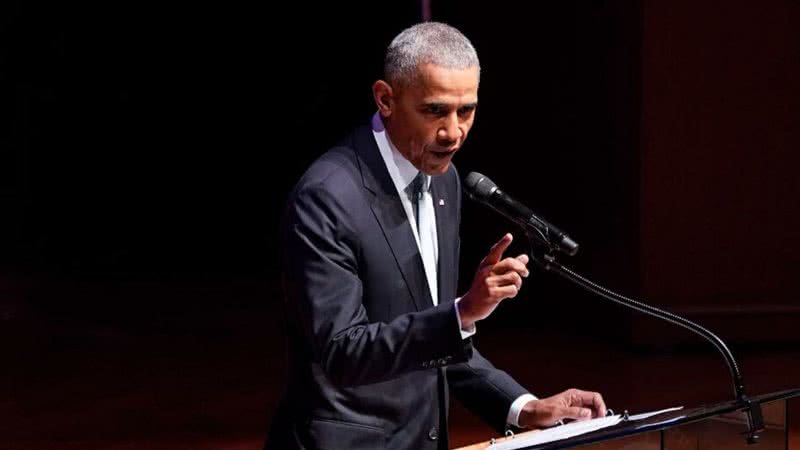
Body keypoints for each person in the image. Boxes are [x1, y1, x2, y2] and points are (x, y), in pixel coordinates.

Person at [265, 22, 606, 450]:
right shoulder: (327, 198)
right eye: (434, 111)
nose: (454, 131)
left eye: (466, 110)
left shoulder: (445, 184)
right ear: (386, 99)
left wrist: (522, 407)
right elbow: (342, 352)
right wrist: (462, 313)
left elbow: (434, 341)